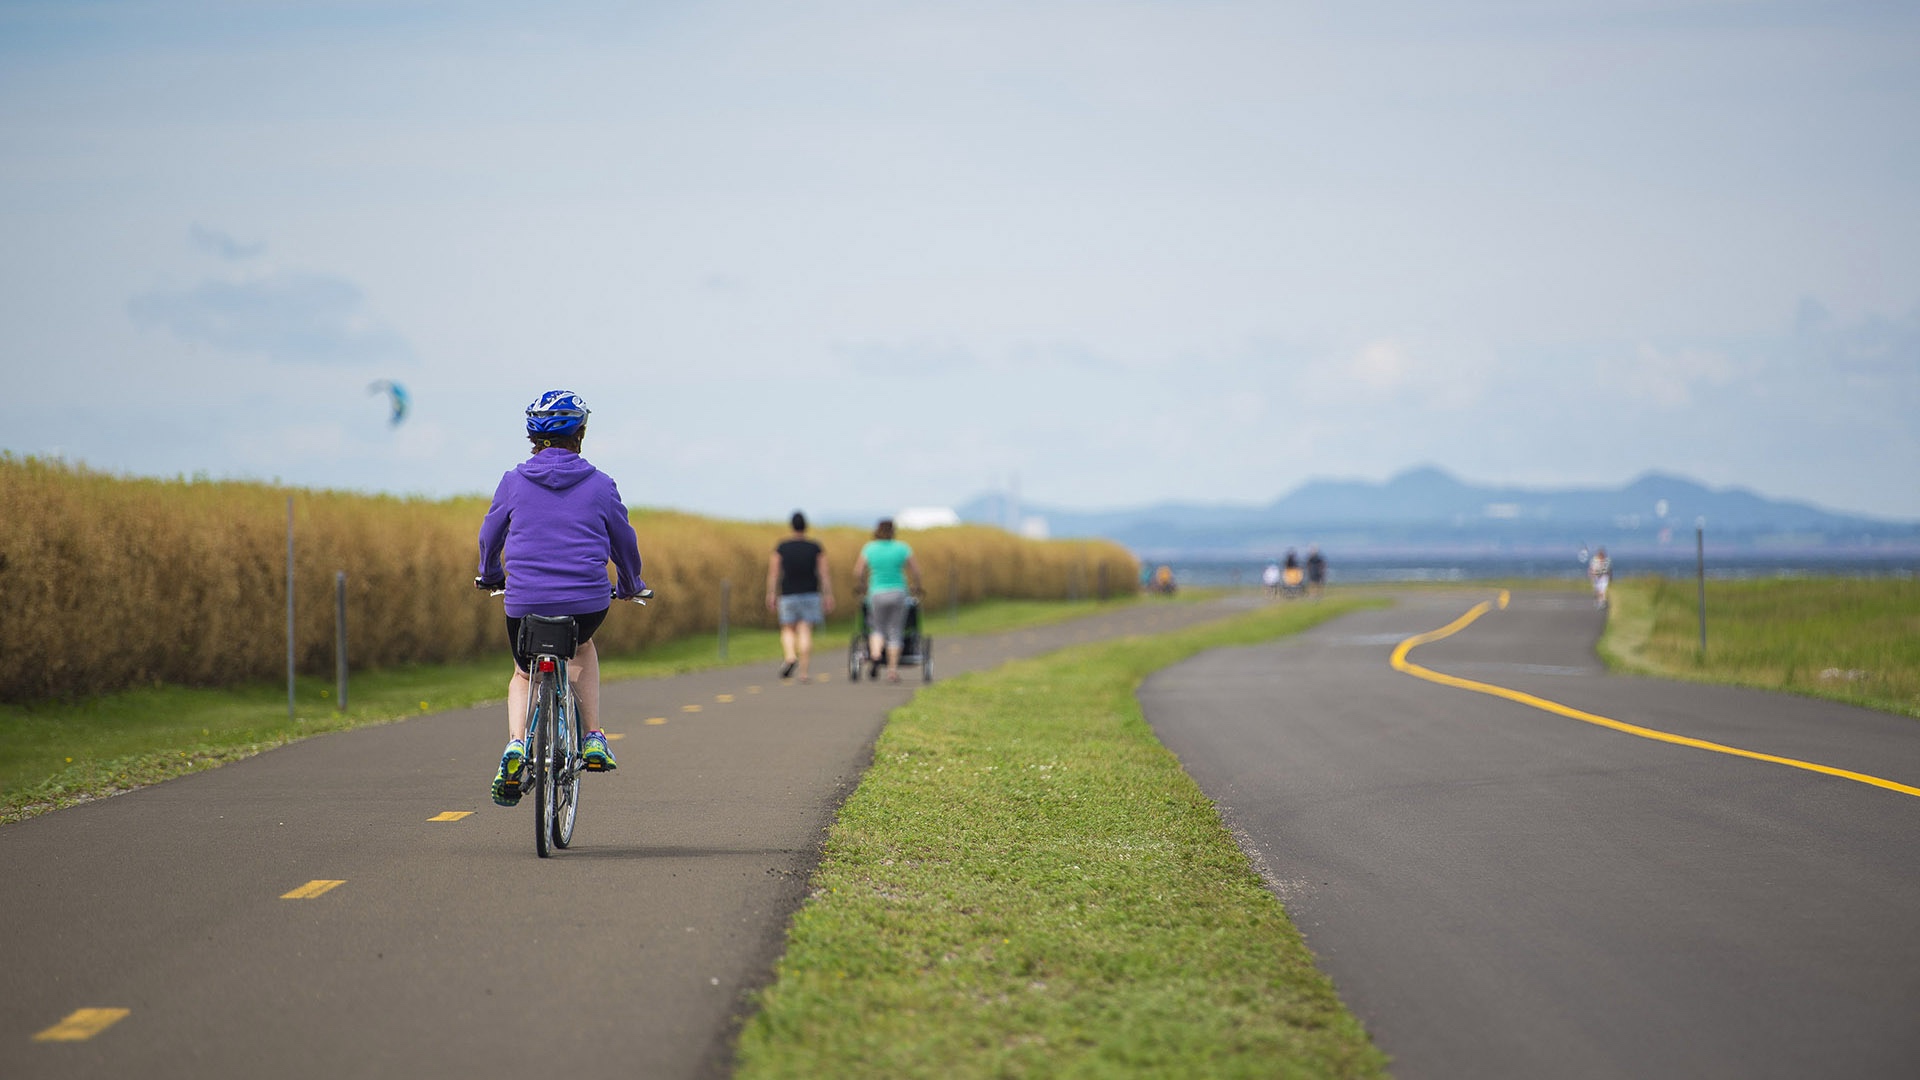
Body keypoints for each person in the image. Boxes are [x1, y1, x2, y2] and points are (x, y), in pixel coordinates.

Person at [476, 390, 646, 808]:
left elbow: (489, 537)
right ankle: (592, 736)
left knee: (522, 672)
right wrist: (629, 583)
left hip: (524, 604)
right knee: (582, 647)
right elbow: (623, 542)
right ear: (581, 433)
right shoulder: (601, 484)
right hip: (586, 604)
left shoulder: (514, 482)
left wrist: (491, 574)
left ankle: (516, 745)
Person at [853, 518, 923, 683]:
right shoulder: (902, 548)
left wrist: (863, 585)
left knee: (877, 628)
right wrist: (917, 586)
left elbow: (858, 571)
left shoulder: (870, 549)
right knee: (895, 631)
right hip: (898, 592)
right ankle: (892, 671)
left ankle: (876, 655)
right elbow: (916, 571)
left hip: (876, 592)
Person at [766, 511, 833, 683]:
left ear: (792, 526)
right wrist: (828, 595)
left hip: (788, 594)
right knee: (805, 630)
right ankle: (804, 672)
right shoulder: (815, 547)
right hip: (810, 593)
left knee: (788, 629)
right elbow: (824, 573)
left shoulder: (782, 547)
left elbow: (774, 573)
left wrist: (771, 593)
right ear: (806, 526)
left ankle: (790, 656)